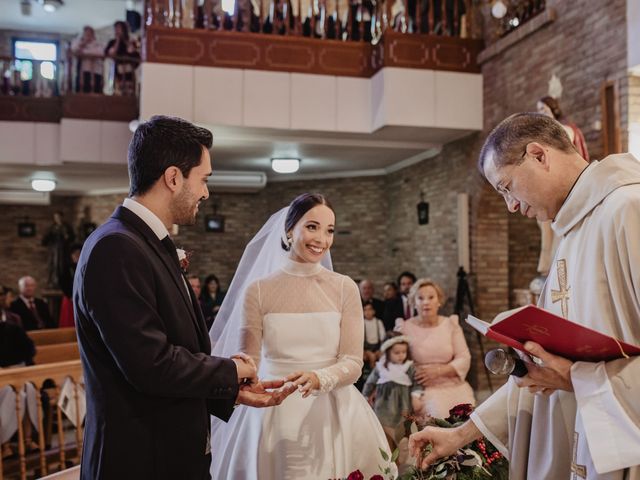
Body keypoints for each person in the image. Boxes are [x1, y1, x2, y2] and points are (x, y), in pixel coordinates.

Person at [409, 112, 640, 479]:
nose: (511, 206)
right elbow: (546, 370)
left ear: (538, 155)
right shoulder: (571, 235)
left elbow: (571, 373)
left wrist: (577, 379)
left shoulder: (628, 209)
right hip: (583, 440)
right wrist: (461, 434)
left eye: (506, 187)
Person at [73, 115, 295, 480]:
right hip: (140, 460)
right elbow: (150, 364)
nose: (206, 192)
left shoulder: (142, 243)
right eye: (203, 178)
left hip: (170, 453)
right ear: (174, 177)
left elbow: (176, 348)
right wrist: (230, 369)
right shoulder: (116, 247)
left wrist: (231, 391)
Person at [209, 193, 392, 479]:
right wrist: (240, 369)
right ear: (288, 229)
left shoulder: (344, 288)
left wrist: (321, 378)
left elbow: (353, 362)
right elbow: (251, 362)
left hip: (332, 411)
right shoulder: (258, 290)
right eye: (312, 227)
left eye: (329, 230)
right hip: (274, 409)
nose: (321, 238)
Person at [397, 278, 475, 418]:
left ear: (439, 301)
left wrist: (439, 371)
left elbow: (464, 357)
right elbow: (396, 360)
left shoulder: (451, 324)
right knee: (439, 415)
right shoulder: (404, 328)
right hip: (423, 388)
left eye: (431, 297)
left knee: (468, 418)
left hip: (453, 384)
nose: (426, 302)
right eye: (420, 298)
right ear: (414, 303)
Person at [362, 335, 422, 449]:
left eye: (403, 352)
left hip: (403, 405)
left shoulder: (409, 366)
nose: (401, 355)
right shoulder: (381, 367)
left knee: (403, 430)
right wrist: (365, 396)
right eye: (397, 352)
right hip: (383, 406)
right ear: (388, 352)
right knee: (384, 431)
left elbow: (417, 383)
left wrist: (415, 396)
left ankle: (402, 450)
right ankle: (387, 450)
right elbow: (370, 383)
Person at [42, 211, 75, 289]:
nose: (58, 219)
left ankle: (64, 283)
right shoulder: (52, 227)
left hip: (64, 251)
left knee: (64, 266)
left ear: (62, 217)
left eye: (59, 217)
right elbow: (45, 240)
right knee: (54, 266)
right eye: (56, 217)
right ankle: (54, 282)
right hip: (54, 250)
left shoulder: (67, 227)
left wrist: (68, 237)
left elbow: (72, 238)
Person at [70, 26, 104, 94]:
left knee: (96, 90)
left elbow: (100, 53)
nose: (88, 35)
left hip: (96, 71)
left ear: (93, 34)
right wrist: (84, 43)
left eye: (89, 33)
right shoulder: (77, 42)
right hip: (83, 71)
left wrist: (85, 52)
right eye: (86, 33)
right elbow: (74, 50)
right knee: (82, 90)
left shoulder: (98, 44)